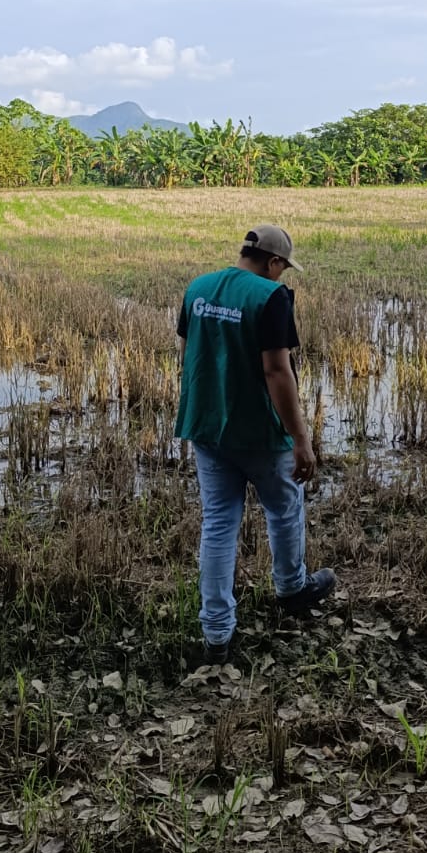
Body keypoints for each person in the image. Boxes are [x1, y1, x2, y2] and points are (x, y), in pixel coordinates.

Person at [175, 224, 336, 663]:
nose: (283, 277)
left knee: (219, 525)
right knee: (284, 509)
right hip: (262, 433)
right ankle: (292, 588)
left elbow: (188, 353)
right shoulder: (271, 297)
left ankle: (216, 635)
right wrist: (301, 440)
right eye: (283, 269)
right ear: (274, 263)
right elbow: (277, 372)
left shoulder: (199, 288)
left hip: (207, 428)